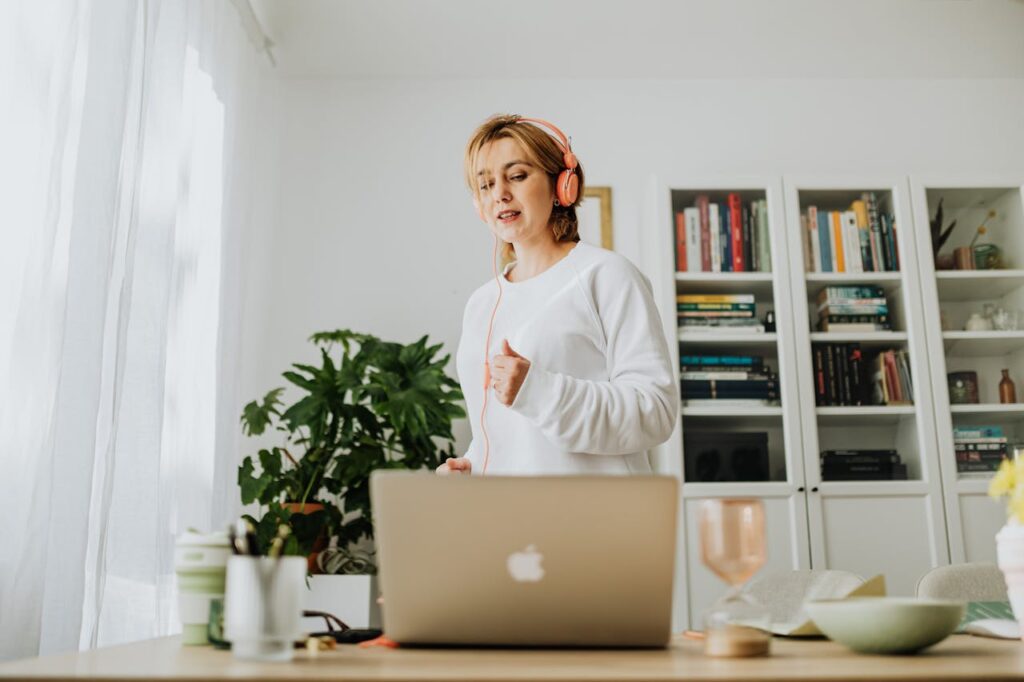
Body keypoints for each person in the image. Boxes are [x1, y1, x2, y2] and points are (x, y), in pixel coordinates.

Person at [437, 114, 677, 476]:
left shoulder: (608, 275)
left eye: (516, 176)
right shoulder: (481, 304)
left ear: (562, 185)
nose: (500, 193)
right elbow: (506, 434)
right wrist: (473, 465)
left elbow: (654, 411)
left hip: (598, 523)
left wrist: (538, 389)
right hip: (513, 526)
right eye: (485, 185)